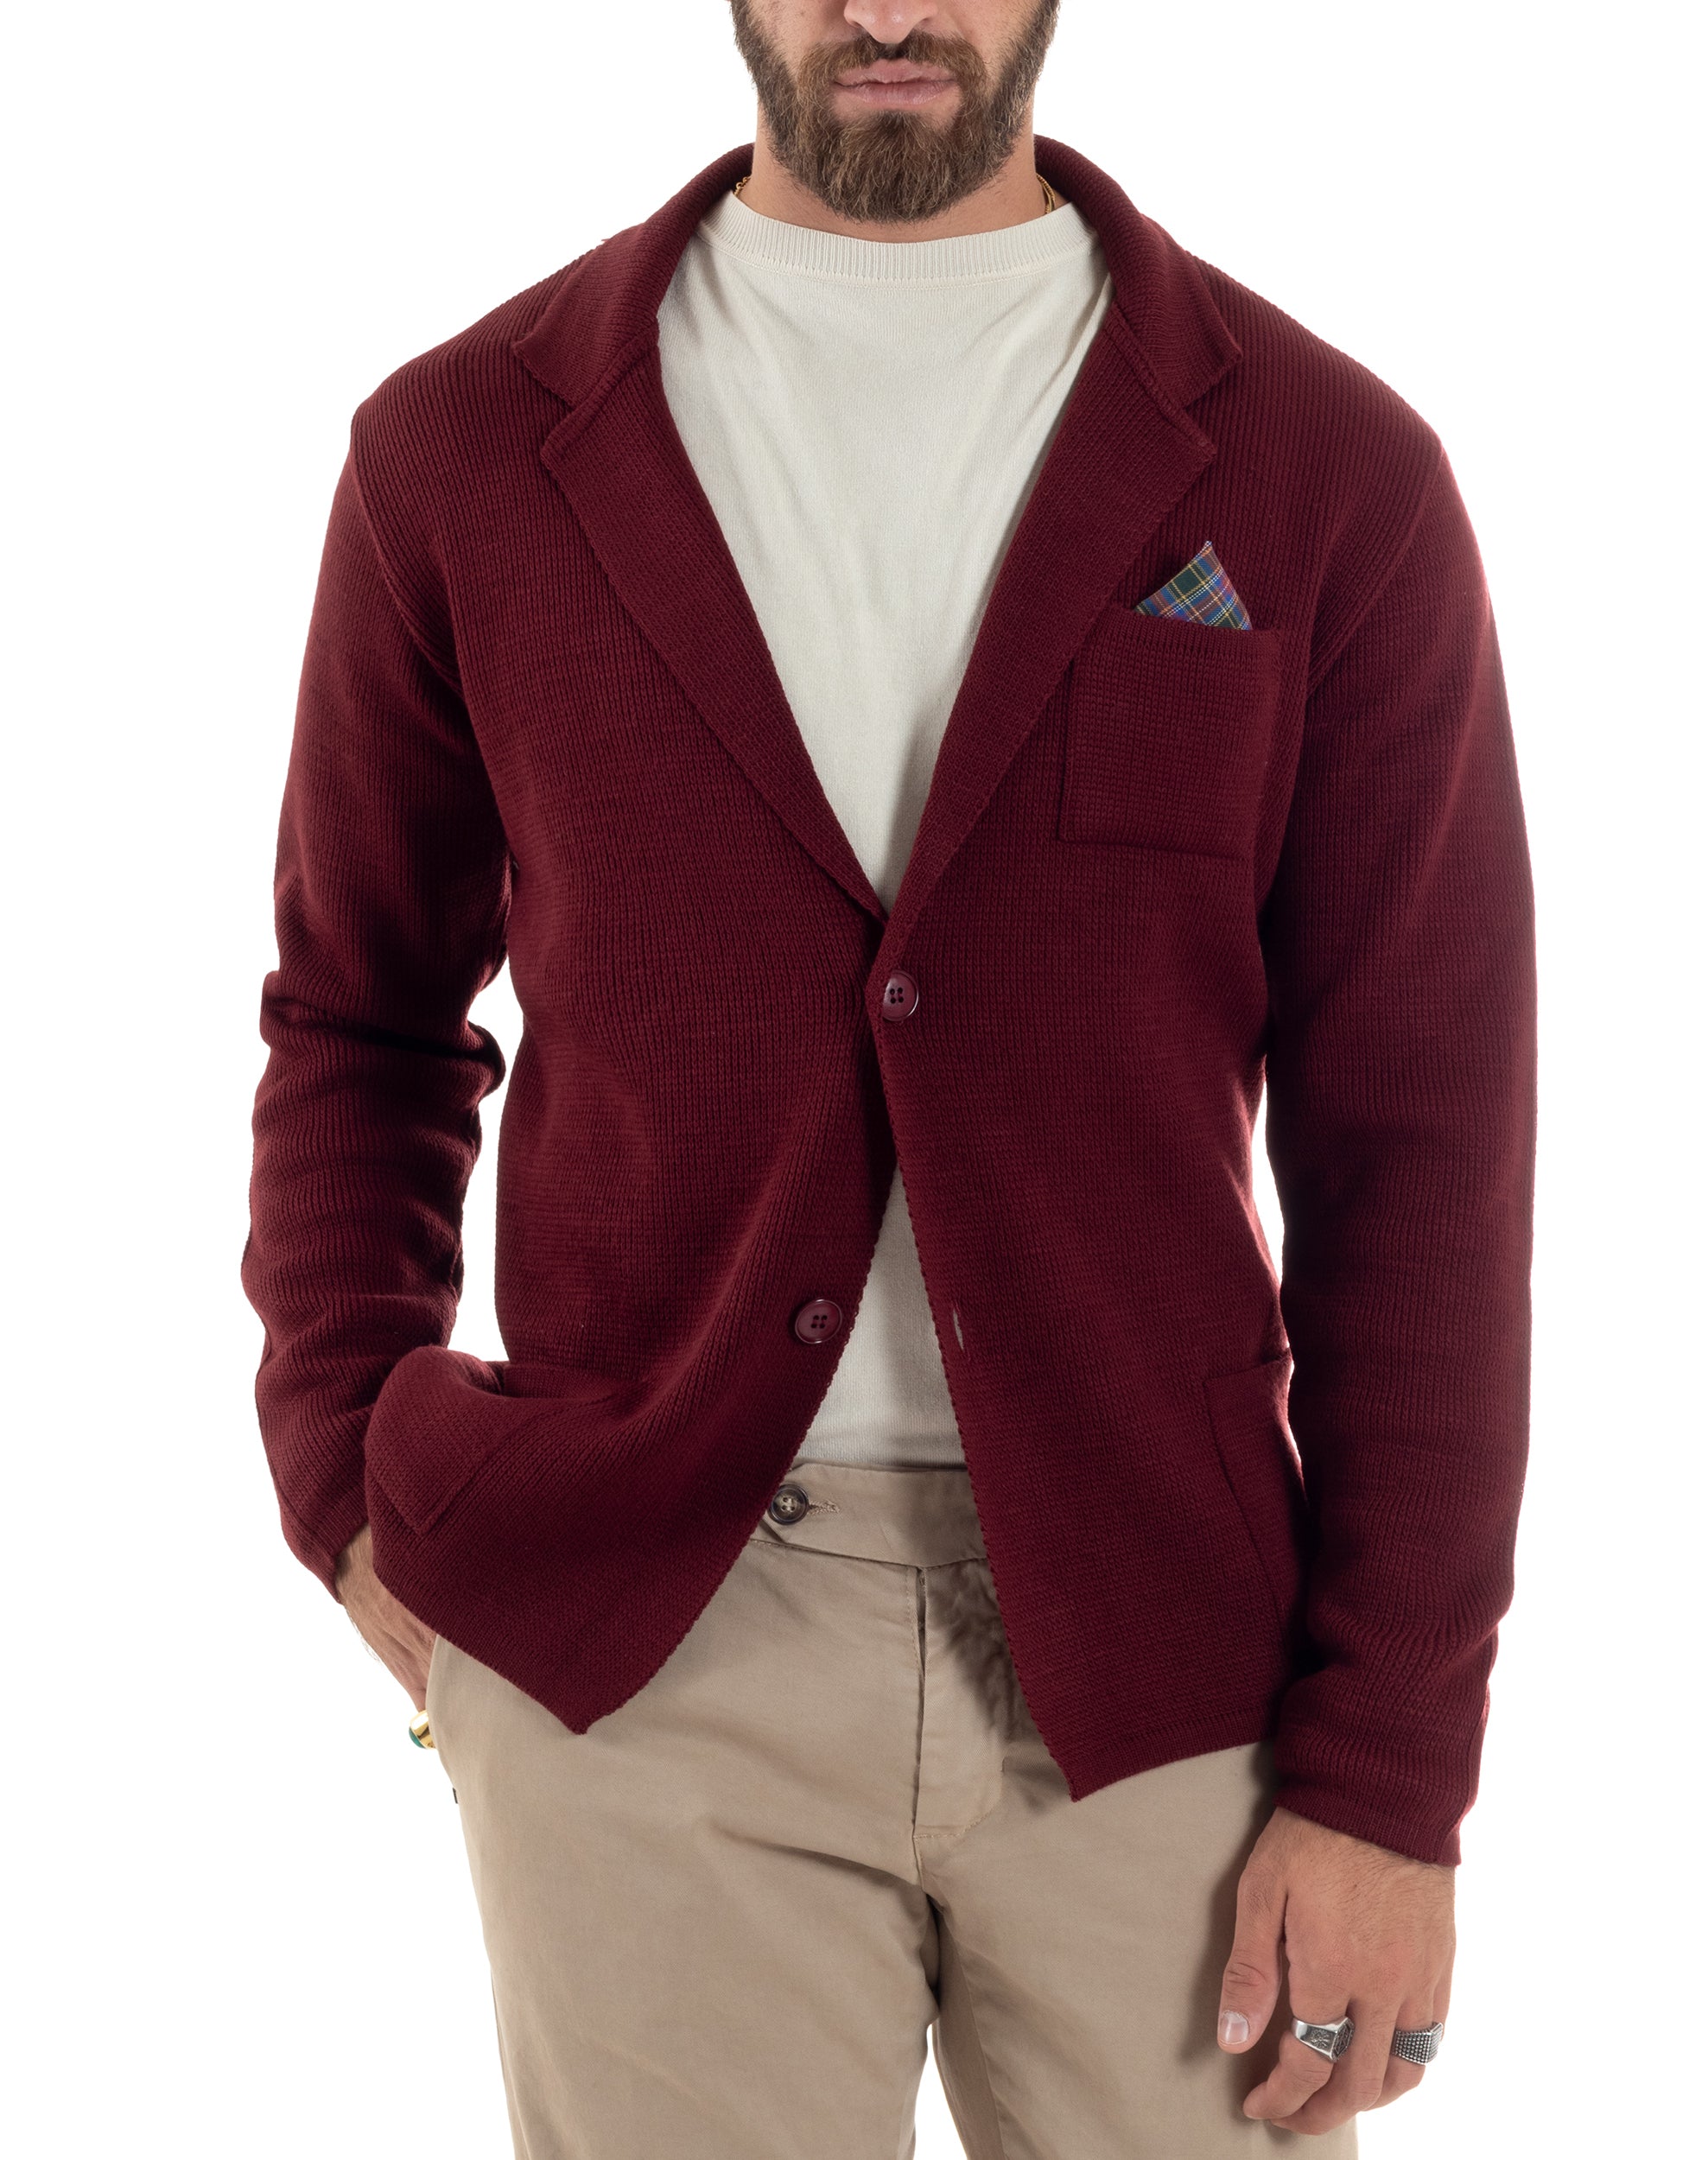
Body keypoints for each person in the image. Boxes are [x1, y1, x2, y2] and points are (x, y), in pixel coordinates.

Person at [243, 3, 1536, 2151]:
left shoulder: (1329, 470)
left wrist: (1394, 1771)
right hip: (645, 1644)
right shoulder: (460, 449)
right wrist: (348, 1482)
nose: (887, 8)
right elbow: (359, 1017)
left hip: (1169, 1654)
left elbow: (1423, 1156)